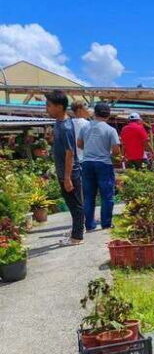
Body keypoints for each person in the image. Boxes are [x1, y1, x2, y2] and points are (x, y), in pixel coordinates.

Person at [45, 90, 84, 245]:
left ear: (59, 107)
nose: (46, 108)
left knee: (76, 206)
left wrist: (67, 177)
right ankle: (77, 230)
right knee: (72, 205)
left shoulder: (66, 127)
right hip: (64, 173)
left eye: (48, 105)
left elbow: (70, 153)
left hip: (70, 174)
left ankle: (77, 237)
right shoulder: (58, 123)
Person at [77, 102, 120, 231]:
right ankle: (106, 223)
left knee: (89, 195)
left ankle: (89, 225)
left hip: (87, 163)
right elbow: (116, 150)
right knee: (106, 195)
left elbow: (79, 144)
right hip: (104, 164)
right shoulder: (110, 130)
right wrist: (107, 153)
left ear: (94, 113)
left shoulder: (85, 127)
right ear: (108, 115)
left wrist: (90, 150)